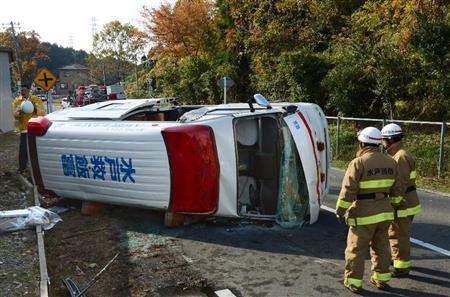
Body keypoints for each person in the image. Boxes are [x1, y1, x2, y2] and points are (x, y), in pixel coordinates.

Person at [336, 127, 404, 293]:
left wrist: (340, 210)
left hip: (364, 214)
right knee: (381, 247)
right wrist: (392, 205)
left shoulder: (358, 163)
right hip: (385, 212)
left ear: (362, 143)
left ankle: (353, 282)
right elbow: (398, 188)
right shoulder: (391, 161)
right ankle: (381, 279)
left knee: (356, 249)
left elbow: (348, 190)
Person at [381, 123, 422, 277]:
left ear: (391, 139)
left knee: (399, 236)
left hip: (403, 203)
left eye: (384, 140)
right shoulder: (397, 153)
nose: (383, 143)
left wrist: (394, 203)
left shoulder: (400, 157)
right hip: (405, 201)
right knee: (395, 233)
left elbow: (400, 184)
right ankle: (398, 259)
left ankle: (402, 268)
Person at [12, 85, 46, 174]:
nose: (23, 92)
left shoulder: (35, 100)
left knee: (35, 149)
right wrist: (20, 113)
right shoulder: (17, 101)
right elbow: (15, 114)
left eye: (25, 90)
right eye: (21, 91)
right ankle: (22, 168)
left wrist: (34, 108)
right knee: (23, 150)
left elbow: (42, 112)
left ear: (29, 91)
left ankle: (37, 169)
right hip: (24, 129)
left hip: (35, 128)